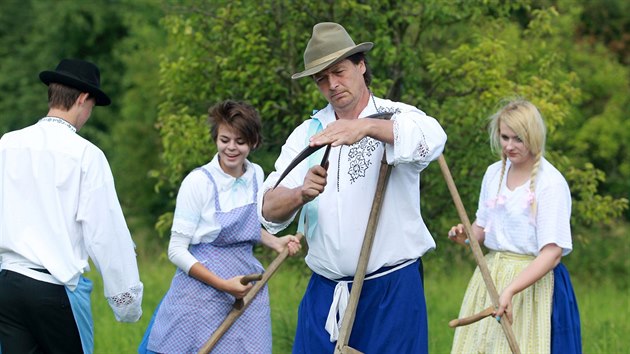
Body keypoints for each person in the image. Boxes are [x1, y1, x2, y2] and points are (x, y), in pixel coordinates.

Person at [258, 22, 447, 353]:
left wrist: (366, 128)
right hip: (325, 295)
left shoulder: (395, 116)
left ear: (361, 65)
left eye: (339, 71)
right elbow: (268, 210)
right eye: (322, 78)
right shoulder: (309, 133)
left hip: (391, 294)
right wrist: (299, 193)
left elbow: (433, 140)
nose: (332, 84)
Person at [0, 59, 143, 354]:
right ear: (82, 98)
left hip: (7, 288)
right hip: (54, 290)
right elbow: (106, 234)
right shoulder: (86, 156)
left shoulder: (7, 144)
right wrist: (127, 302)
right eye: (92, 106)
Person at [139, 100, 301, 354]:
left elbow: (245, 228)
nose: (231, 148)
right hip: (200, 291)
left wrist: (275, 241)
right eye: (225, 140)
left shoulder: (257, 175)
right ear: (216, 139)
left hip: (245, 287)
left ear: (254, 142)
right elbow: (176, 251)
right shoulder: (198, 182)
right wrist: (223, 285)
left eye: (240, 141)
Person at [447, 99, 582, 353]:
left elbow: (552, 253)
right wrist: (467, 236)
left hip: (532, 285)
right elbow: (482, 230)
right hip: (492, 278)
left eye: (518, 139)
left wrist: (511, 289)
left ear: (533, 136)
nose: (509, 146)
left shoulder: (550, 183)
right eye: (504, 137)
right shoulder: (493, 173)